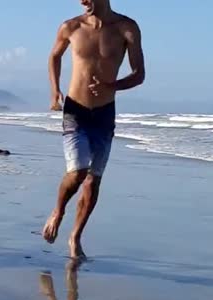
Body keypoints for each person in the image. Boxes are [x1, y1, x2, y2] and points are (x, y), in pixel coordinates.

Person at [42, 0, 145, 259]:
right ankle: (58, 210)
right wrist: (55, 90)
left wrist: (113, 86)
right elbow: (54, 56)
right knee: (77, 172)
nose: (82, 1)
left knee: (93, 180)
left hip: (104, 114)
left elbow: (139, 74)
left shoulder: (126, 28)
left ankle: (75, 236)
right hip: (75, 110)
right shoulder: (71, 26)